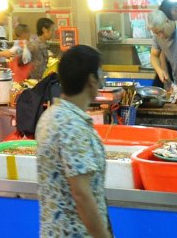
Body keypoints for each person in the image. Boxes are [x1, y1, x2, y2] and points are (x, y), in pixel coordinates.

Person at [36, 45, 110, 238]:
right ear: (91, 80)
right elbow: (82, 194)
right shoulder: (72, 126)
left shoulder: (51, 115)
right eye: (100, 73)